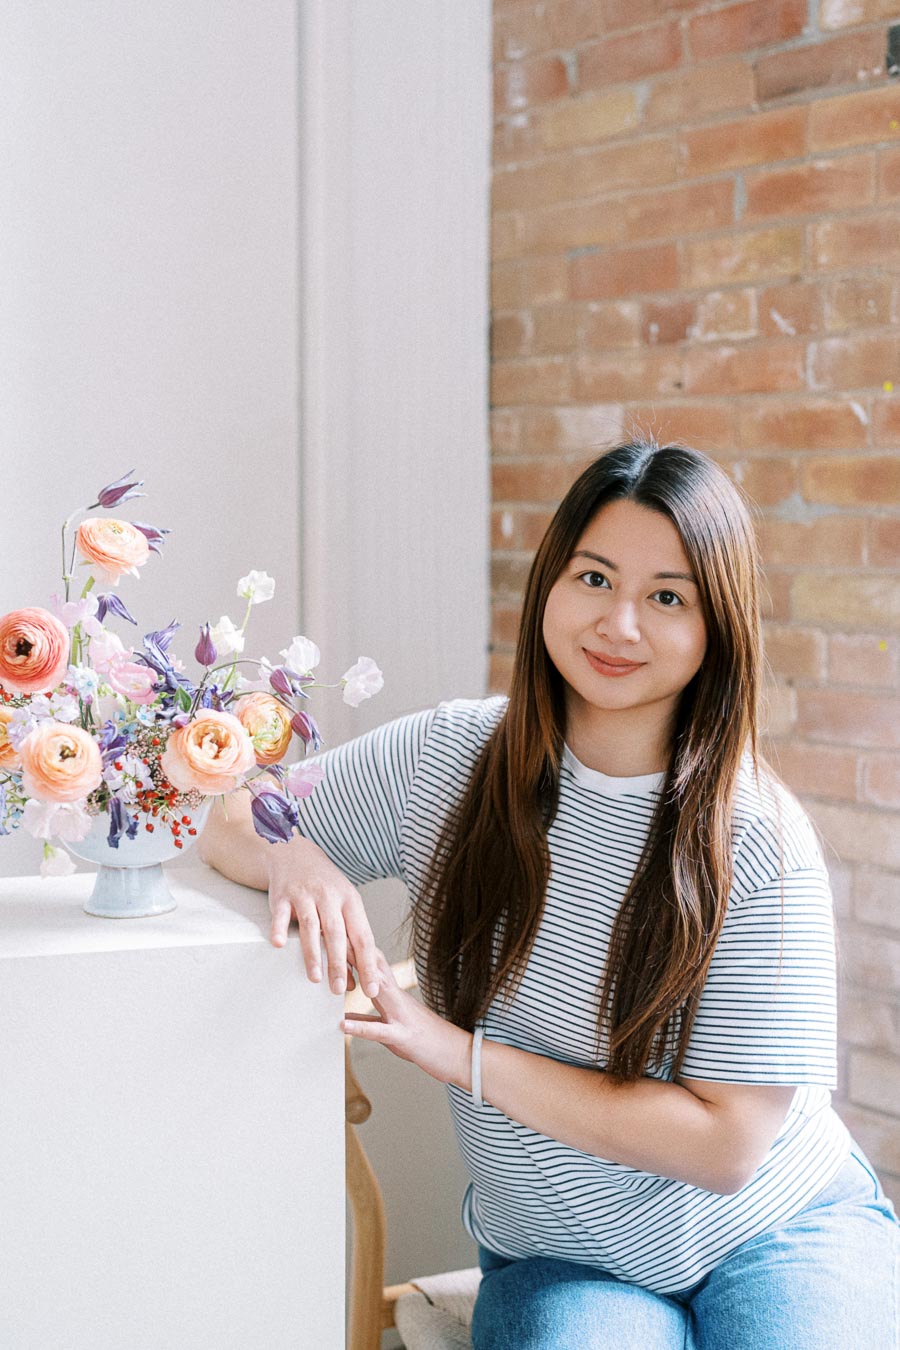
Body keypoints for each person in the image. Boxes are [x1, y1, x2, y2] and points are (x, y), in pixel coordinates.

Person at [201, 440, 899, 1349]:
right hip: (565, 1254)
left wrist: (461, 1057)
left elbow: (725, 1149)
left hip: (778, 1227)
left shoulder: (761, 838)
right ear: (550, 584)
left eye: (667, 597)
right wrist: (295, 856)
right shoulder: (450, 760)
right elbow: (226, 812)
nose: (620, 626)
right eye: (595, 577)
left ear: (715, 626)